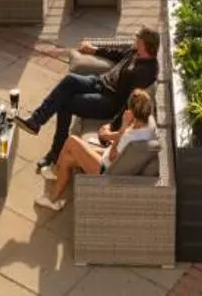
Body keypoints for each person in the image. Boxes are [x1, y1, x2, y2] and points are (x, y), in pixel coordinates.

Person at [16, 25, 160, 172]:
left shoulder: (147, 71)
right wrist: (94, 50)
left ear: (145, 44)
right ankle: (36, 121)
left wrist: (112, 125)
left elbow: (129, 102)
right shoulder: (135, 51)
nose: (135, 38)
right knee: (69, 80)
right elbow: (117, 54)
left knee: (65, 103)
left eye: (138, 37)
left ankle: (55, 152)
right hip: (101, 82)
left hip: (109, 101)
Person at [35, 87, 156, 210]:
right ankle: (53, 196)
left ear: (131, 112)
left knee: (72, 141)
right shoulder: (150, 125)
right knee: (67, 158)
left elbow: (112, 156)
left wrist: (123, 127)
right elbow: (125, 140)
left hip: (107, 172)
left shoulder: (129, 136)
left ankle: (56, 172)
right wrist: (109, 135)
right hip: (116, 164)